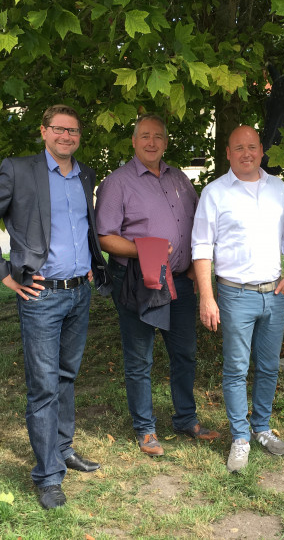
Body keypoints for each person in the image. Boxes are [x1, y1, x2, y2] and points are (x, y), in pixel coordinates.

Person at [0, 105, 109, 510]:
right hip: (41, 297)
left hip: (80, 292)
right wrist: (6, 274)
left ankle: (63, 450)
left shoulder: (85, 174)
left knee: (66, 376)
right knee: (43, 386)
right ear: (43, 131)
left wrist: (92, 265)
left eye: (74, 130)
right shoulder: (19, 170)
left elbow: (83, 228)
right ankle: (47, 477)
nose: (67, 136)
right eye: (59, 129)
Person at [95, 114, 219, 457]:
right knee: (139, 358)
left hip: (179, 282)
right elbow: (105, 237)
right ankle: (145, 428)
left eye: (158, 137)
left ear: (165, 142)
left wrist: (195, 270)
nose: (152, 142)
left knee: (185, 353)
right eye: (144, 136)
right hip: (139, 281)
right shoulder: (117, 182)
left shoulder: (179, 178)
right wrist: (144, 251)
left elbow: (198, 229)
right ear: (134, 142)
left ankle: (185, 418)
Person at [192, 125, 284, 473]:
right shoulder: (215, 193)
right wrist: (207, 297)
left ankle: (262, 428)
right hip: (234, 294)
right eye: (238, 148)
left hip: (274, 294)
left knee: (269, 367)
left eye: (252, 147)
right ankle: (240, 436)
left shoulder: (278, 188)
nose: (246, 154)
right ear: (228, 153)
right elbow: (201, 246)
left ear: (261, 150)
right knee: (237, 368)